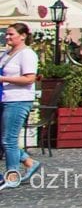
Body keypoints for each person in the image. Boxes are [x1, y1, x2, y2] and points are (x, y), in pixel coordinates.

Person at [0, 23, 41, 187]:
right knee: (3, 139)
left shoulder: (27, 54)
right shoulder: (7, 53)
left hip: (18, 100)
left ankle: (13, 176)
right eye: (7, 34)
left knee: (9, 140)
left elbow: (30, 79)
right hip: (5, 98)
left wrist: (3, 79)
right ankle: (29, 162)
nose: (7, 37)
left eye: (11, 34)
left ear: (23, 35)